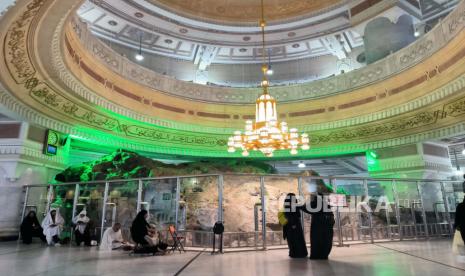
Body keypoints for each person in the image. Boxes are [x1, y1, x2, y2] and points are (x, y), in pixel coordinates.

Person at [302, 193, 335, 260]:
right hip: (327, 225)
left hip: (318, 225)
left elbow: (304, 208)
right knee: (326, 240)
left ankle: (317, 255)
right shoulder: (325, 202)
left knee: (317, 240)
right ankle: (324, 255)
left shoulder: (315, 203)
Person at [282, 193, 308, 258]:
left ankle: (294, 253)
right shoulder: (292, 205)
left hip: (290, 225)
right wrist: (293, 224)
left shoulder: (287, 204)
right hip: (294, 224)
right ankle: (299, 254)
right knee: (297, 239)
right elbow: (290, 215)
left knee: (292, 240)